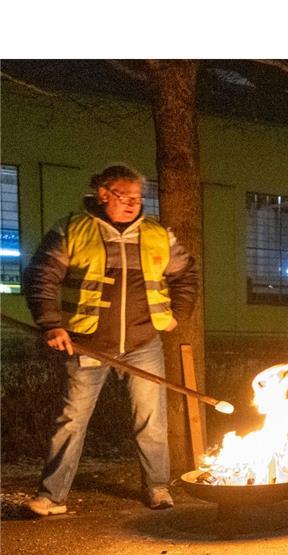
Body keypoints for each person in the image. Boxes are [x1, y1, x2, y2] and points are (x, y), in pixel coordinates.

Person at [22, 164, 199, 516]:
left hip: (143, 344)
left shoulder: (157, 234)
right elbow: (41, 275)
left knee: (151, 419)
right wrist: (51, 324)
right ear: (103, 195)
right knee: (72, 419)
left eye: (138, 197)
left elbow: (186, 273)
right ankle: (52, 496)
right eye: (125, 196)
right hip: (86, 343)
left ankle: (158, 487)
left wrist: (178, 313)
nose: (134, 203)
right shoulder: (73, 229)